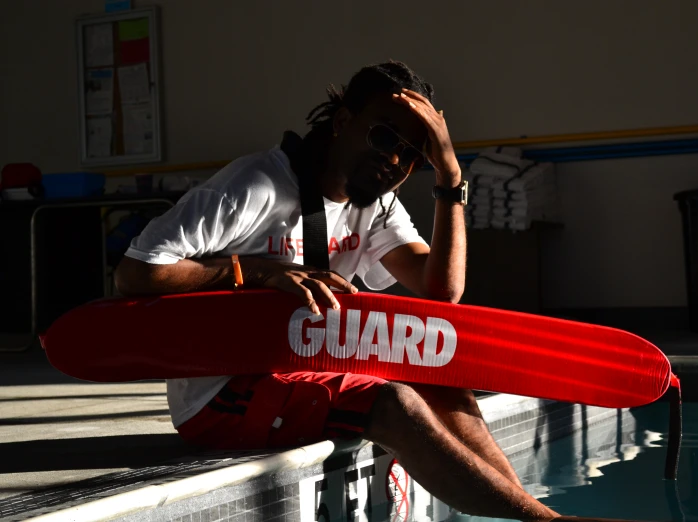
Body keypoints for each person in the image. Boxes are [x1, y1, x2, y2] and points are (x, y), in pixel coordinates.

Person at [114, 60, 559, 521]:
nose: (393, 161)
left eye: (412, 154)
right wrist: (256, 271)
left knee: (439, 377)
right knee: (394, 402)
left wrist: (450, 180)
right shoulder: (253, 186)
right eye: (385, 137)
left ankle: (533, 514)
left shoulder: (378, 202)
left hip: (307, 367)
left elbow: (441, 290)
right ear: (344, 122)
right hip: (221, 396)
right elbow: (136, 271)